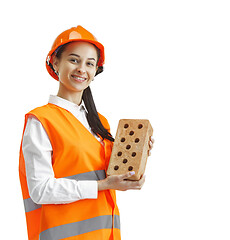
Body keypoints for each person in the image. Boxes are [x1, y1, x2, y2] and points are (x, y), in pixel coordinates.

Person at [19, 25, 154, 240]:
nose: (82, 69)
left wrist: (138, 157)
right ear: (55, 63)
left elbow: (108, 176)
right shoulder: (41, 120)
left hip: (106, 234)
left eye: (89, 63)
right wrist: (102, 186)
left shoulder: (100, 123)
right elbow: (41, 190)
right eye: (74, 60)